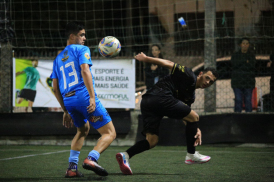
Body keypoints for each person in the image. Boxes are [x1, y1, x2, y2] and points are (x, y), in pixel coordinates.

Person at [116, 52, 218, 175]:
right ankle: (191, 155)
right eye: (207, 78)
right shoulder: (189, 75)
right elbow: (169, 64)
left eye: (211, 82)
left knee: (152, 141)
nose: (208, 82)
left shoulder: (190, 97)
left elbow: (186, 117)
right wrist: (146, 58)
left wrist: (195, 128)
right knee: (194, 116)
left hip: (148, 103)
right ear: (201, 74)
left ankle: (125, 155)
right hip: (159, 96)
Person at [50, 21, 116, 178]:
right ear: (72, 36)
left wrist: (65, 110)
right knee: (110, 133)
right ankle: (92, 159)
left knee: (82, 130)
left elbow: (55, 88)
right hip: (83, 98)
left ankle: (72, 168)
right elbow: (85, 70)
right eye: (81, 35)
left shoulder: (58, 59)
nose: (84, 38)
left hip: (69, 101)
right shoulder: (82, 49)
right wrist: (92, 97)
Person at [231, 38, 256, 112]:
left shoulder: (251, 55)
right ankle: (237, 119)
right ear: (240, 45)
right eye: (243, 43)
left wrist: (241, 63)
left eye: (247, 43)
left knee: (248, 101)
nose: (245, 45)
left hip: (248, 82)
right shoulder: (235, 55)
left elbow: (252, 66)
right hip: (237, 83)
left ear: (249, 45)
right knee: (238, 101)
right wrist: (245, 61)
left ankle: (248, 119)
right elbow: (234, 64)